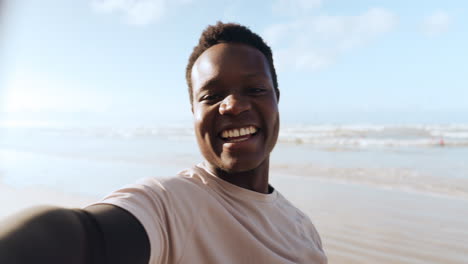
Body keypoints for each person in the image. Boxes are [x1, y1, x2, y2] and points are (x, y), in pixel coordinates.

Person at [0, 22, 327, 264]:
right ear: (194, 112)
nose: (232, 105)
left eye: (254, 89)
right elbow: (78, 237)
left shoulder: (302, 229)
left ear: (276, 100)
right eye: (211, 96)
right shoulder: (169, 204)